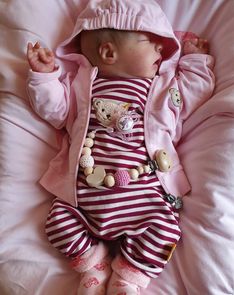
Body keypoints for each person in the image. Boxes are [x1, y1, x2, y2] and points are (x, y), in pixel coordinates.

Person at [26, 1, 215, 294]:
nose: (161, 51)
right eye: (150, 42)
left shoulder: (159, 90)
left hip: (145, 200)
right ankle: (93, 266)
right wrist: (44, 76)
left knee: (167, 231)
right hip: (85, 197)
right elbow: (56, 110)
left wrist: (196, 62)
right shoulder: (83, 87)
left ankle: (128, 277)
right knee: (57, 223)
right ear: (109, 53)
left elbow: (191, 94)